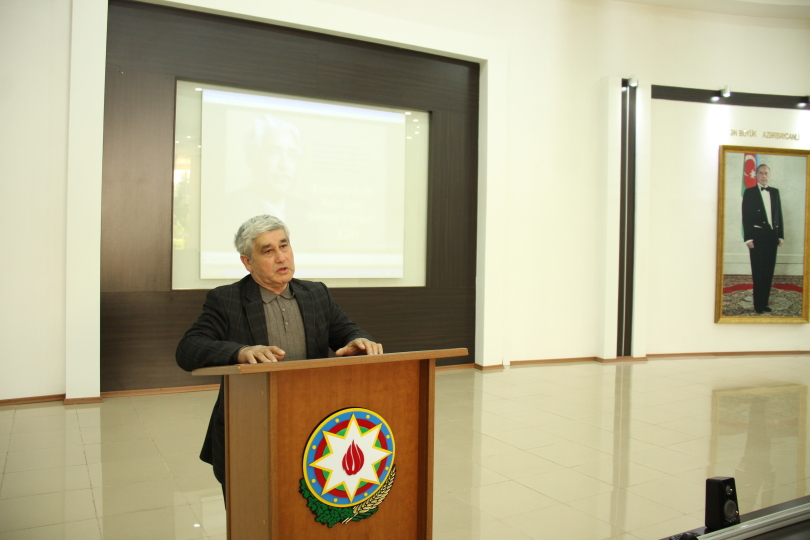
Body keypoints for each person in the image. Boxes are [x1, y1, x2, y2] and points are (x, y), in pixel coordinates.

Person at [176, 214, 383, 498]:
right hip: (251, 426)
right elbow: (188, 348)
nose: (281, 257)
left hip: (313, 421)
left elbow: (345, 330)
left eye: (284, 246)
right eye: (268, 251)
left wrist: (357, 340)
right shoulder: (226, 300)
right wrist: (241, 351)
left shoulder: (315, 293)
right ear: (247, 262)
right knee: (253, 508)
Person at [742, 164, 784, 314]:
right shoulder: (749, 192)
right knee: (758, 272)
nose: (764, 176)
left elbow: (779, 214)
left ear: (769, 175)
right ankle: (758, 305)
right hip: (757, 238)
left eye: (766, 173)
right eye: (761, 173)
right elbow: (746, 216)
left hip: (772, 238)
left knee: (768, 272)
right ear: (756, 175)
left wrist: (780, 235)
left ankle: (764, 303)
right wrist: (748, 238)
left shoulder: (775, 192)